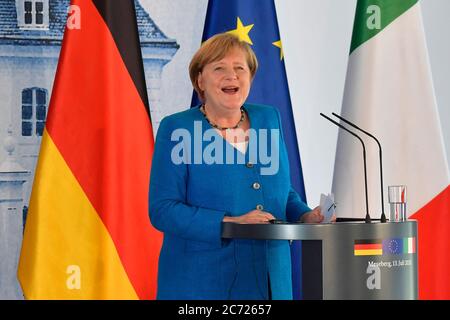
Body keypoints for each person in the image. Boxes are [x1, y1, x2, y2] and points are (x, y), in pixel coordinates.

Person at [149, 33, 334, 300]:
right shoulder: (177, 128)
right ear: (200, 80)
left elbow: (281, 190)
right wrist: (230, 222)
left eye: (240, 68)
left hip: (271, 278)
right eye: (219, 68)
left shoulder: (269, 118)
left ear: (250, 77)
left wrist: (306, 216)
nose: (232, 76)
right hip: (202, 283)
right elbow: (163, 209)